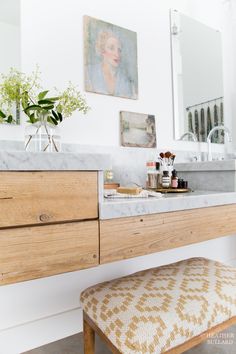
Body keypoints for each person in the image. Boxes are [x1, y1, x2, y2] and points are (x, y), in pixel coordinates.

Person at [85, 30, 137, 99]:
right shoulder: (89, 72)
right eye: (111, 48)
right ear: (102, 50)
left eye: (119, 50)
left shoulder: (126, 82)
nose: (117, 54)